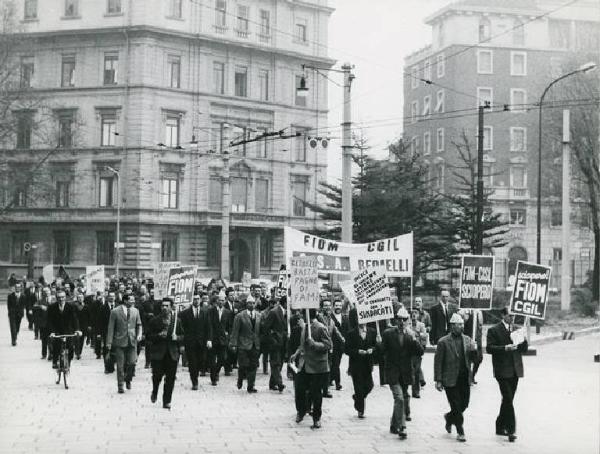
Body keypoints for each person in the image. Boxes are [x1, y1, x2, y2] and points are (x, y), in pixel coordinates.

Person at [378, 308, 423, 440]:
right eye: (399, 319)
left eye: (405, 319)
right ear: (396, 320)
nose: (402, 322)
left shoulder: (411, 335)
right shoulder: (388, 333)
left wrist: (415, 339)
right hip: (392, 372)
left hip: (405, 373)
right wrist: (379, 343)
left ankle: (393, 424)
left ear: (408, 320)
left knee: (400, 399)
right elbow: (380, 352)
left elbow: (419, 352)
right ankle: (402, 427)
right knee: (400, 398)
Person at [486, 307, 528, 443]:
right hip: (502, 371)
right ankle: (511, 430)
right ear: (503, 315)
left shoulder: (517, 329)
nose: (512, 318)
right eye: (510, 315)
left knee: (507, 399)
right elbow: (489, 348)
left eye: (514, 315)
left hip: (515, 370)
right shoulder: (494, 330)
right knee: (508, 398)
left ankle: (499, 425)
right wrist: (504, 348)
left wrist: (524, 339)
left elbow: (524, 349)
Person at [434, 313, 478, 442]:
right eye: (459, 325)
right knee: (456, 405)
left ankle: (449, 417)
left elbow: (476, 360)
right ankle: (460, 431)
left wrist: (475, 350)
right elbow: (438, 362)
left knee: (464, 404)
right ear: (452, 326)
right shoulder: (443, 342)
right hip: (450, 378)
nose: (461, 327)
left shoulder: (468, 340)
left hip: (464, 378)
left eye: (462, 325)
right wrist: (438, 380)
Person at [293, 309, 332, 429]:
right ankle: (301, 411)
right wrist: (296, 353)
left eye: (302, 313)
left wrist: (314, 344)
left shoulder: (320, 327)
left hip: (317, 366)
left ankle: (317, 418)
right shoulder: (305, 326)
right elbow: (303, 344)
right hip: (304, 364)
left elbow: (328, 345)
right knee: (299, 389)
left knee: (316, 393)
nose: (300, 315)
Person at [147, 299, 184, 409]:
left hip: (172, 353)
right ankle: (155, 391)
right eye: (163, 306)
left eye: (167, 306)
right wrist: (158, 335)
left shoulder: (177, 321)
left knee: (170, 378)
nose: (164, 308)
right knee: (157, 376)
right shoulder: (154, 321)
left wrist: (177, 338)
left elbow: (182, 335)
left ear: (171, 307)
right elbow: (148, 336)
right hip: (158, 353)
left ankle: (167, 400)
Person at [106, 294, 142, 393]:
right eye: (131, 300)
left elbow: (139, 325)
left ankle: (128, 379)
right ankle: (120, 385)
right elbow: (111, 328)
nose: (133, 302)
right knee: (120, 365)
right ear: (125, 301)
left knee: (132, 363)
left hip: (132, 341)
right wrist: (109, 343)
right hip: (119, 342)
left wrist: (139, 334)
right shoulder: (115, 312)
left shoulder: (136, 311)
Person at [179, 294, 213, 389]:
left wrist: (209, 339)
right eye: (194, 299)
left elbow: (208, 327)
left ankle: (196, 375)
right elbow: (181, 329)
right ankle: (194, 382)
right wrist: (182, 343)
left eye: (198, 299)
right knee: (192, 362)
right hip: (190, 342)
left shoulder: (205, 312)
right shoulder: (185, 313)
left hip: (201, 342)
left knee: (200, 361)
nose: (196, 301)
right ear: (191, 300)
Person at [230, 295, 261, 393]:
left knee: (253, 366)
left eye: (252, 303)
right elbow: (235, 331)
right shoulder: (239, 316)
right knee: (243, 365)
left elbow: (260, 331)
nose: (251, 305)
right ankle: (240, 379)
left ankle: (251, 386)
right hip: (243, 344)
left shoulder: (259, 315)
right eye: (249, 303)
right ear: (246, 304)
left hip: (255, 345)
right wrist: (233, 344)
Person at [345, 322, 377, 418]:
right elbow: (346, 349)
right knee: (358, 387)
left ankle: (357, 398)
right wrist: (358, 351)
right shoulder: (351, 333)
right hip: (356, 365)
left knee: (369, 385)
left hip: (367, 364)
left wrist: (372, 349)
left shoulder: (372, 331)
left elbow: (376, 346)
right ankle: (360, 410)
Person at [47, 290, 82, 368]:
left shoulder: (71, 307)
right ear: (56, 298)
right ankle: (55, 361)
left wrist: (77, 330)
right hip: (57, 330)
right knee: (56, 346)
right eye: (59, 297)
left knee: (70, 347)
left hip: (68, 331)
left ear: (65, 297)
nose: (61, 299)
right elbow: (50, 321)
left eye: (62, 297)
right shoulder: (52, 307)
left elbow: (75, 319)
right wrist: (52, 332)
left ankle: (68, 362)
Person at [261, 296, 287, 392]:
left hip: (284, 342)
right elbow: (265, 327)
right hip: (275, 342)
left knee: (279, 363)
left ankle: (272, 384)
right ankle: (279, 383)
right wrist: (272, 340)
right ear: (284, 303)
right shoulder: (274, 312)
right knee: (275, 363)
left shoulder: (288, 312)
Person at [208, 292, 233, 384]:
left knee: (222, 358)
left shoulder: (228, 312)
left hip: (223, 339)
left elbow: (230, 326)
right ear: (217, 301)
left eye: (223, 300)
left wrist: (228, 334)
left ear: (225, 301)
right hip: (213, 338)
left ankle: (216, 372)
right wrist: (209, 339)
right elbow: (209, 325)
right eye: (219, 300)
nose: (221, 302)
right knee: (212, 359)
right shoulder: (211, 311)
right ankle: (213, 378)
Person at [409, 308, 428, 398]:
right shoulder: (407, 324)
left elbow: (425, 335)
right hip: (408, 350)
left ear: (418, 315)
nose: (414, 315)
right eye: (412, 313)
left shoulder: (421, 325)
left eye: (416, 313)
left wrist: (417, 333)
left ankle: (416, 392)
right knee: (411, 370)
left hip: (417, 349)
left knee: (416, 371)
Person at [329, 300, 347, 391]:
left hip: (341, 345)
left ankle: (331, 379)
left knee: (336, 363)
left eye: (340, 305)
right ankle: (338, 383)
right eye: (336, 305)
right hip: (331, 344)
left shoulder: (345, 318)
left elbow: (347, 331)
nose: (338, 307)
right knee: (334, 364)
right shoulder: (330, 317)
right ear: (333, 306)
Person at [463, 309, 484, 384]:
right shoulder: (464, 310)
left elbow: (480, 326)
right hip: (467, 339)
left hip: (477, 340)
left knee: (479, 359)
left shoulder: (479, 312)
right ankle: (468, 377)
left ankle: (472, 375)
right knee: (467, 359)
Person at [33, 288, 50, 359]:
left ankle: (51, 354)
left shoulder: (55, 299)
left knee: (52, 340)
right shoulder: (40, 301)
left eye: (47, 291)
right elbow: (34, 307)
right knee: (44, 340)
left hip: (52, 323)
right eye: (45, 292)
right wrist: (40, 306)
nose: (46, 293)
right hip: (43, 324)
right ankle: (44, 354)